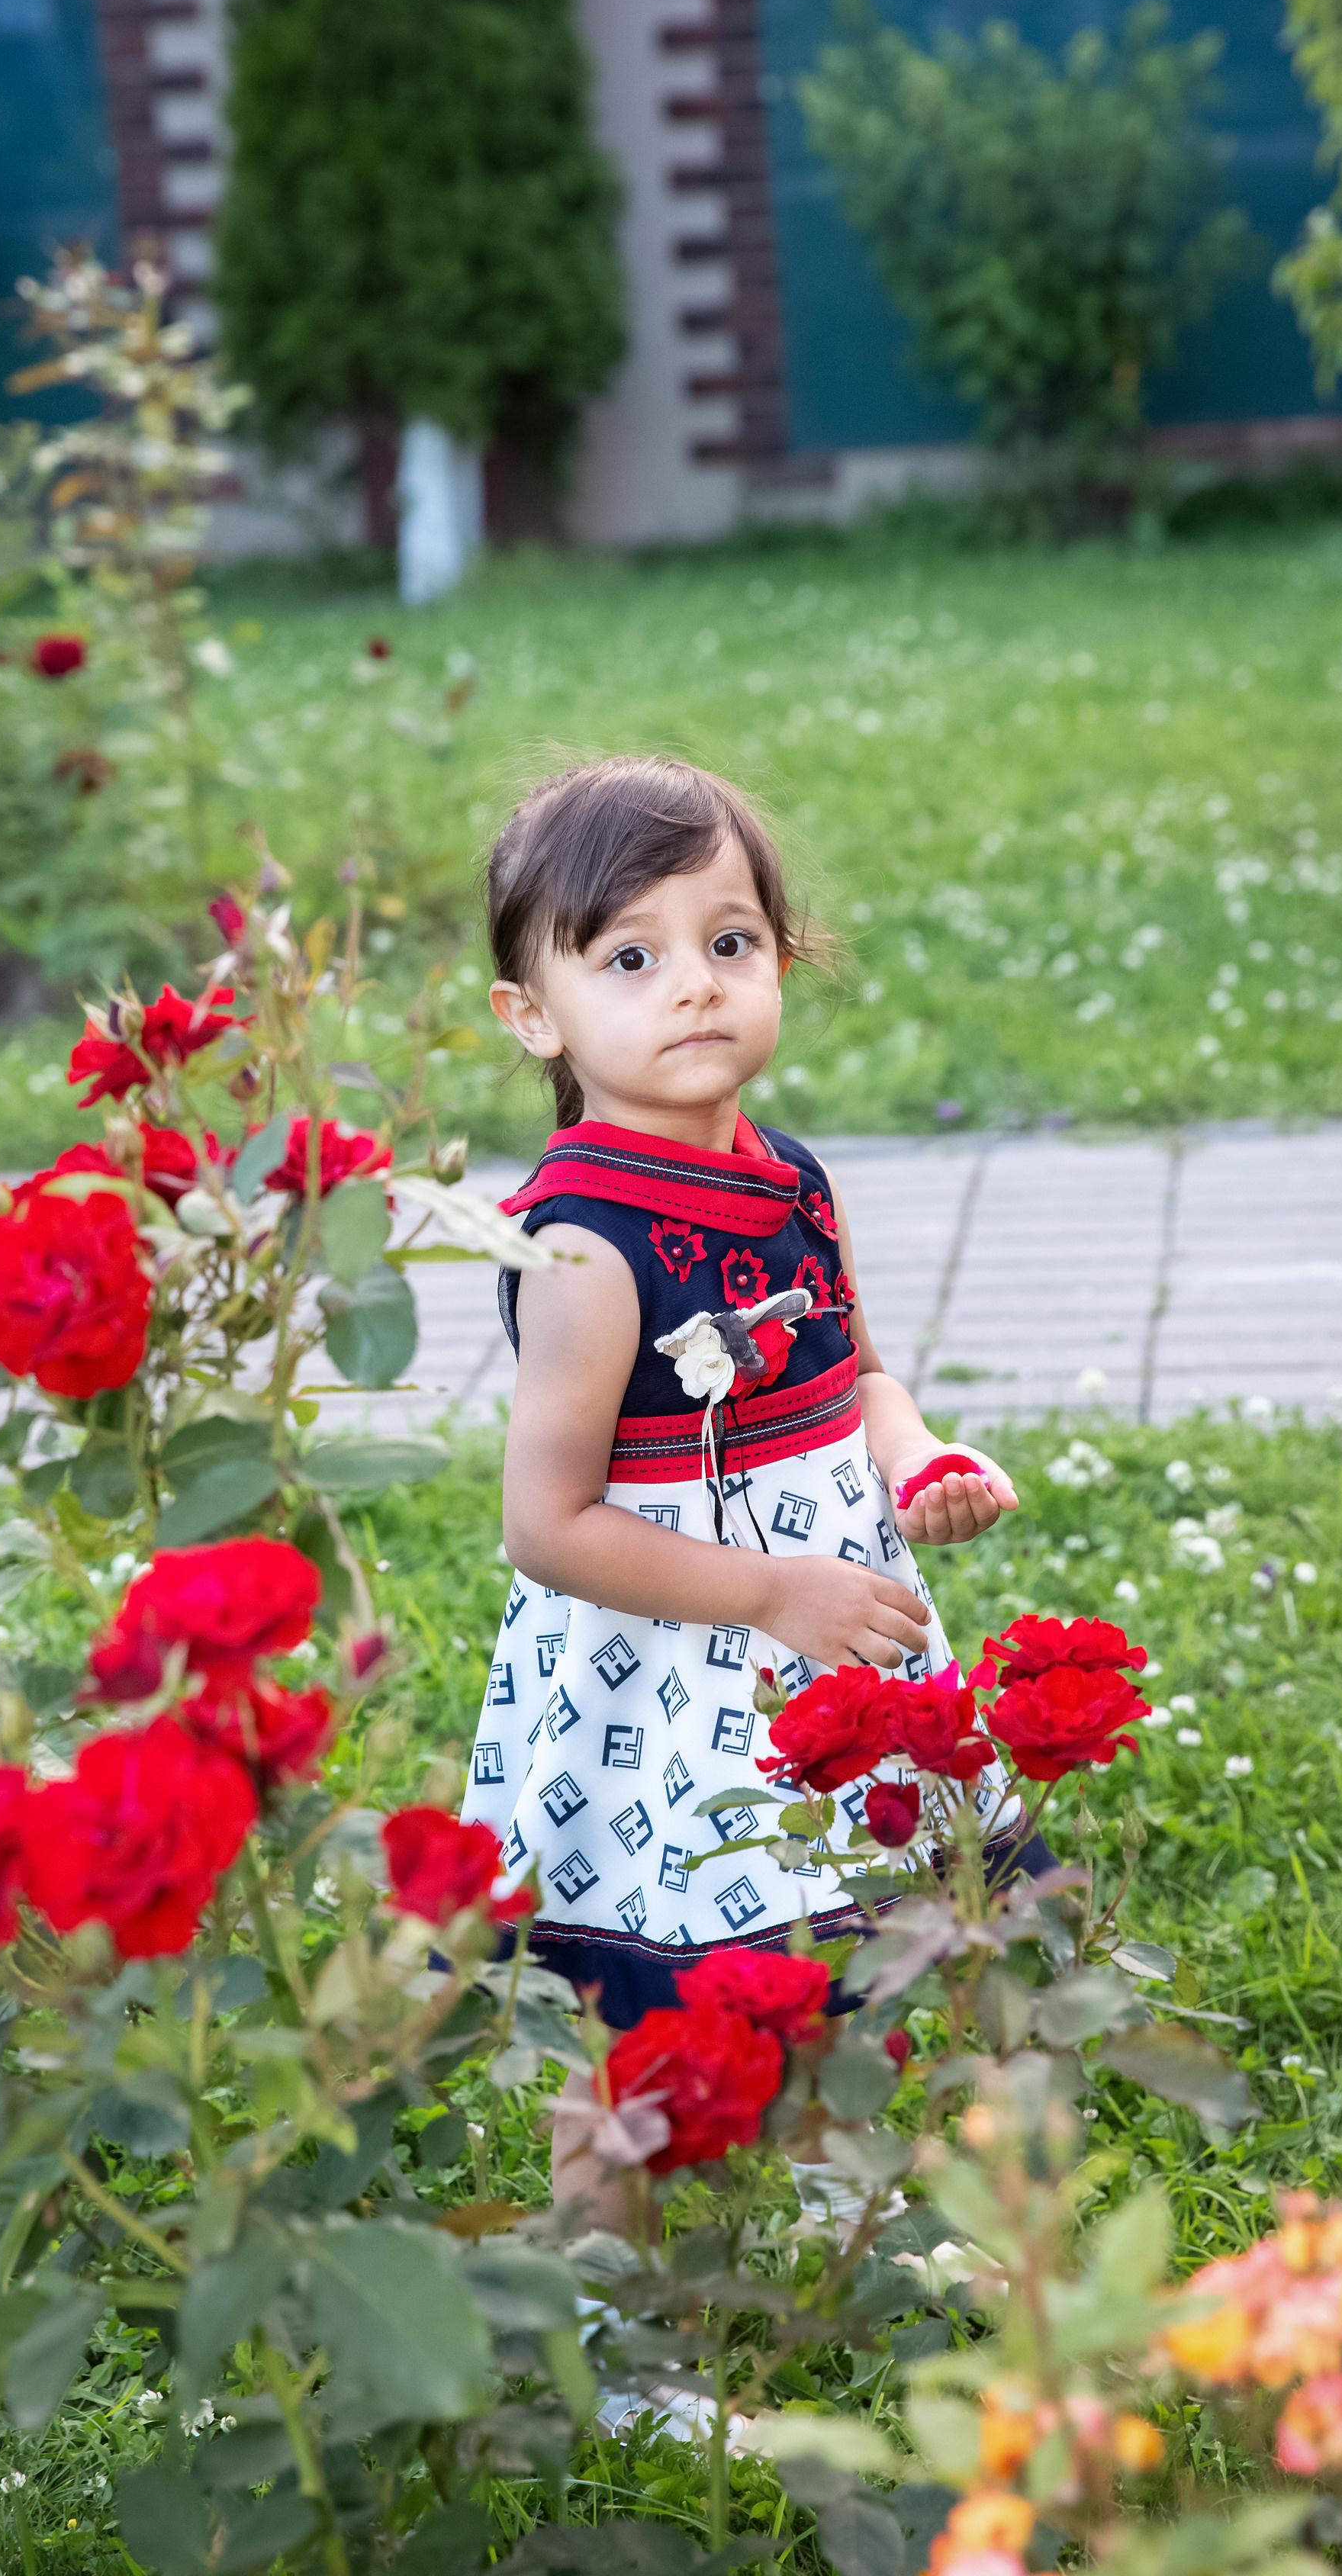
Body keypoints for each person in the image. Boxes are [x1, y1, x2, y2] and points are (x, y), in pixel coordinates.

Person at [465, 755, 1021, 2208]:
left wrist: (921, 1458)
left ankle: (865, 2219)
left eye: (730, 943)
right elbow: (548, 1524)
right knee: (637, 2002)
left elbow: (860, 1376)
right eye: (632, 957)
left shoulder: (794, 1180)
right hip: (664, 1666)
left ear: (783, 958)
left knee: (849, 1931)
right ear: (535, 1014)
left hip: (824, 1627)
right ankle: (606, 2286)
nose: (696, 985)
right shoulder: (582, 1246)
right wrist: (768, 1591)